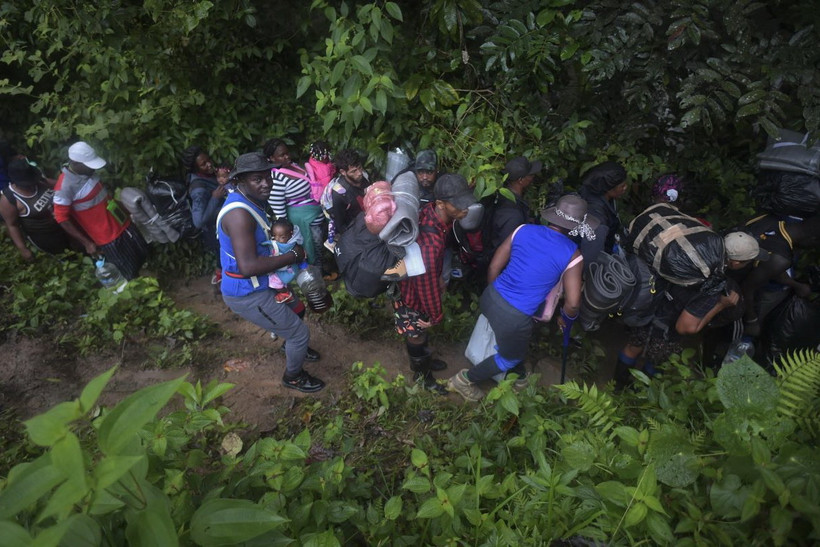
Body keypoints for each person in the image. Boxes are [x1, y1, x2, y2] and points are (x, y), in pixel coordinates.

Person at [448, 194, 595, 401]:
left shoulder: (523, 229)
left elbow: (494, 266)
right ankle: (464, 380)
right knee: (510, 356)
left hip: (490, 296)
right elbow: (572, 303)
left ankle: (520, 378)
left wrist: (498, 300)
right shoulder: (573, 254)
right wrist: (566, 318)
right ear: (576, 227)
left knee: (511, 340)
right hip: (515, 317)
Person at [217, 152, 324, 393]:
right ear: (239, 181)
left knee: (298, 309)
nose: (266, 183)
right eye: (258, 179)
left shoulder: (251, 200)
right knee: (299, 334)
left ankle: (291, 346)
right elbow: (248, 267)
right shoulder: (239, 215)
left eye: (268, 177)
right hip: (247, 291)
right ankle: (293, 376)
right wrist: (293, 256)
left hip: (264, 281)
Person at [394, 174, 477, 393]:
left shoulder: (431, 214)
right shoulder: (431, 242)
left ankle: (423, 362)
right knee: (416, 332)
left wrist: (439, 274)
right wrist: (435, 315)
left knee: (418, 332)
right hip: (412, 295)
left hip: (414, 282)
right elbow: (426, 285)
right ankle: (423, 376)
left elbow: (431, 271)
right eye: (459, 206)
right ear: (440, 203)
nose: (465, 209)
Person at [53, 141, 149, 279]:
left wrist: (127, 209)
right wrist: (87, 243)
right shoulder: (64, 187)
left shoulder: (88, 173)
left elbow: (104, 198)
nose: (93, 168)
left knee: (143, 254)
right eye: (89, 165)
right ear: (76, 163)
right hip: (107, 237)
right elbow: (61, 218)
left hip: (123, 223)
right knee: (129, 272)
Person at [740, 215, 819, 337]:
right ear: (813, 239)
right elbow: (747, 288)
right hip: (740, 287)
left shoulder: (771, 218)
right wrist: (752, 321)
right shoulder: (780, 259)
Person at [263, 139, 326, 274]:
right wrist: (290, 234)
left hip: (314, 214)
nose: (287, 156)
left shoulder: (292, 165)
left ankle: (320, 272)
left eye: (287, 153)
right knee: (313, 248)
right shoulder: (276, 179)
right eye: (282, 155)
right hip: (303, 221)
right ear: (271, 158)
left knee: (319, 246)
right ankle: (315, 277)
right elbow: (279, 212)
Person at [0, 158, 74, 260]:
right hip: (46, 236)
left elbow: (61, 186)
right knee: (67, 258)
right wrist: (23, 249)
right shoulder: (9, 199)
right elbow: (12, 225)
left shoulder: (39, 181)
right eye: (27, 184)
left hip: (66, 225)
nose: (31, 185)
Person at [181, 145, 230, 283]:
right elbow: (198, 221)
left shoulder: (208, 175)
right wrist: (215, 197)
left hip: (222, 226)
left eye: (208, 160)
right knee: (224, 256)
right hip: (215, 231)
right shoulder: (199, 189)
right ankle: (222, 280)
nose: (209, 164)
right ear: (196, 169)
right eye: (203, 164)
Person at [484, 156, 543, 258]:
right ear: (521, 180)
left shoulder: (503, 194)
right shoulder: (512, 213)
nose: (533, 177)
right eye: (531, 175)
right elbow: (507, 250)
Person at [578, 161, 628, 262]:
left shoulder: (594, 191)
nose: (625, 188)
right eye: (622, 186)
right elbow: (590, 257)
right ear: (609, 189)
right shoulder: (597, 220)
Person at [322, 149, 371, 240]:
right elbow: (341, 225)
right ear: (343, 172)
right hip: (353, 225)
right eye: (353, 171)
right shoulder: (339, 194)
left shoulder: (364, 176)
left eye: (360, 167)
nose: (359, 173)